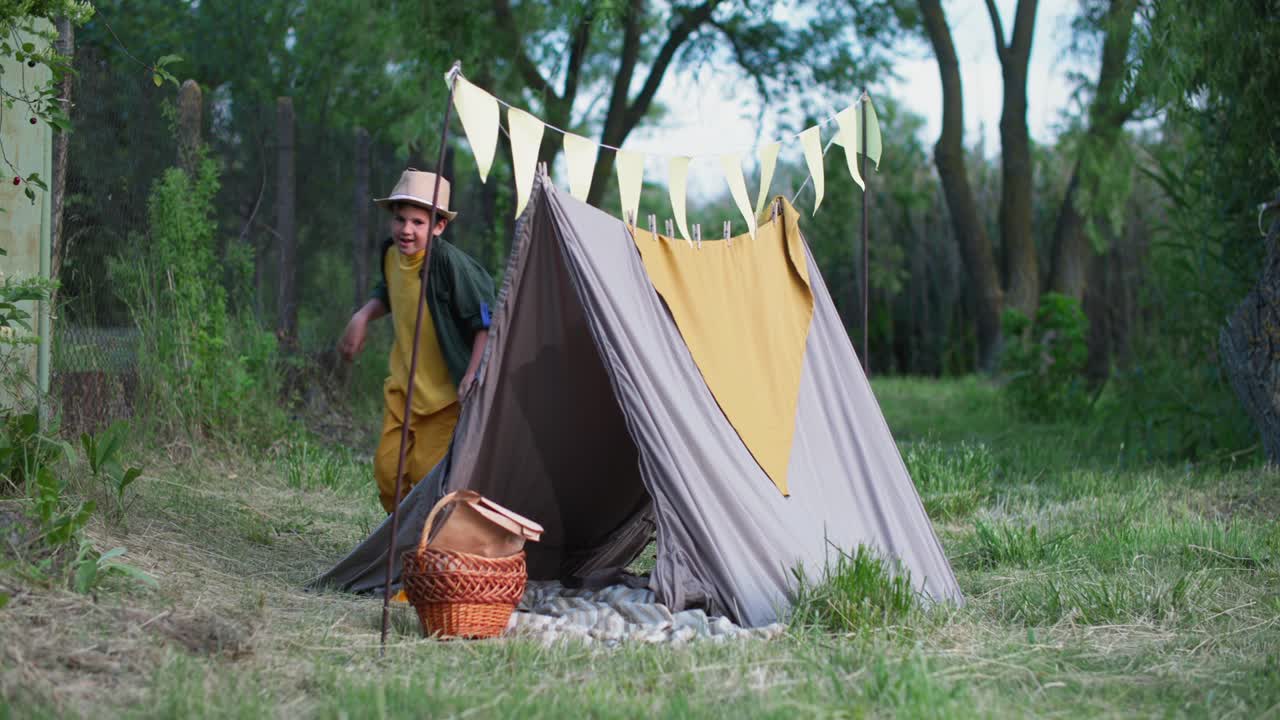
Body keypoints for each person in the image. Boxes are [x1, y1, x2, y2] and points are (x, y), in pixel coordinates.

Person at [339, 169, 495, 513]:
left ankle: (424, 550)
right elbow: (389, 290)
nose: (406, 230)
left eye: (418, 222)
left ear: (438, 227)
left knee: (427, 477)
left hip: (443, 399)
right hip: (404, 390)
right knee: (388, 472)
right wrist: (362, 316)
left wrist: (472, 374)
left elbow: (484, 321)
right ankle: (401, 542)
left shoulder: (450, 265)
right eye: (400, 219)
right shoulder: (391, 255)